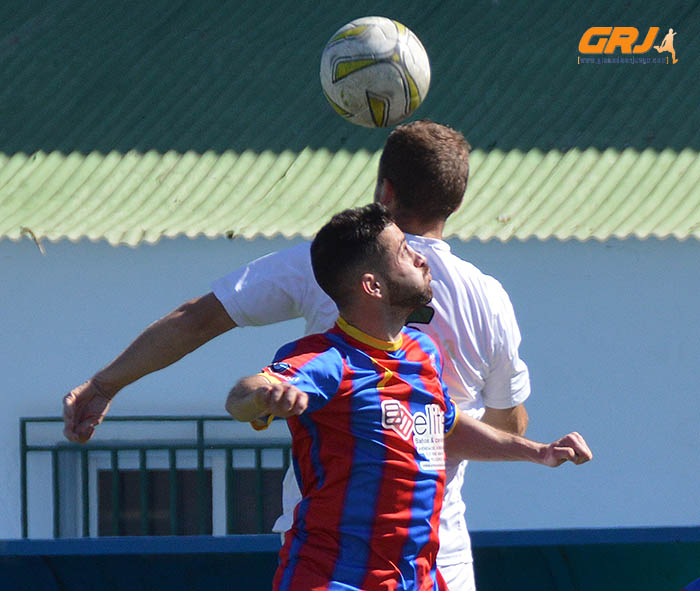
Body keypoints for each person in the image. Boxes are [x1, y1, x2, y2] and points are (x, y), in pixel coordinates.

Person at [64, 120, 528, 589]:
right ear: (458, 200)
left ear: (385, 191)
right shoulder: (488, 299)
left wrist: (106, 384)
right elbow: (505, 422)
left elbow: (197, 318)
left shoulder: (322, 265)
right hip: (433, 554)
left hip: (353, 551)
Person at [225, 203, 592, 591]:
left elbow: (445, 427)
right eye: (403, 251)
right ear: (373, 285)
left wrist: (537, 451)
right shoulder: (329, 360)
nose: (420, 258)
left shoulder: (422, 351)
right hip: (337, 578)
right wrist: (266, 395)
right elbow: (241, 396)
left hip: (418, 579)